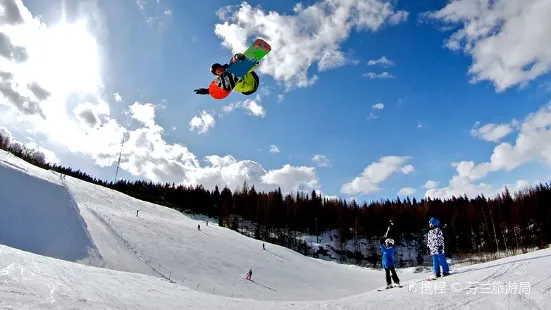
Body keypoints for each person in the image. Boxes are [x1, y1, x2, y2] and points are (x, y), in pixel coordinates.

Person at [194, 53, 260, 98]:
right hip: (247, 89)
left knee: (234, 66)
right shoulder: (223, 80)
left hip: (252, 80)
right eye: (218, 72)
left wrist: (238, 57)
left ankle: (251, 63)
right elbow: (218, 88)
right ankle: (237, 77)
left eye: (219, 69)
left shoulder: (231, 67)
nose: (220, 71)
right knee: (228, 81)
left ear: (222, 67)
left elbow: (235, 63)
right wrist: (206, 91)